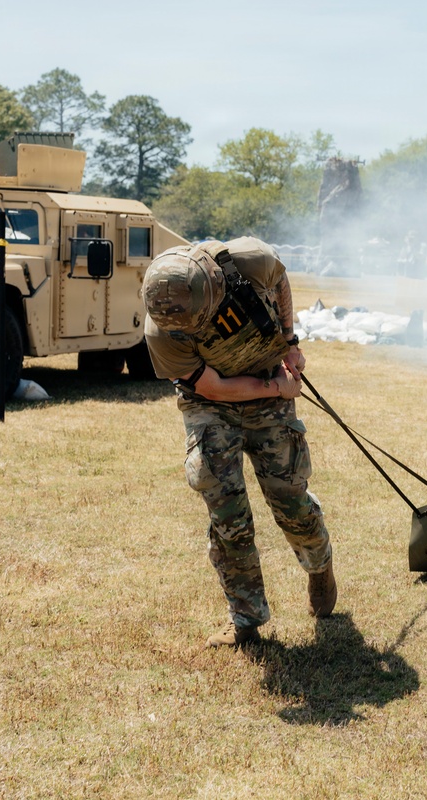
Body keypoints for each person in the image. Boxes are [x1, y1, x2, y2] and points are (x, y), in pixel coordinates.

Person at [142, 237, 337, 648]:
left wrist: (289, 341)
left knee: (290, 500)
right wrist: (275, 388)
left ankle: (320, 567)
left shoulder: (250, 260)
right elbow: (213, 388)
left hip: (269, 382)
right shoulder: (162, 329)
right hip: (212, 404)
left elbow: (280, 280)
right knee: (228, 512)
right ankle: (245, 619)